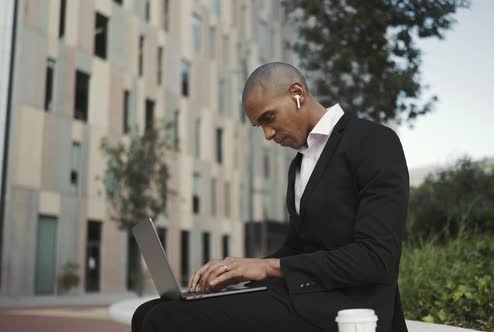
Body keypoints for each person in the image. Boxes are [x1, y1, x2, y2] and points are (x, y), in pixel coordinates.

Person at [132, 62, 409, 332]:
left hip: (352, 308)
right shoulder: (299, 166)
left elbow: (377, 258)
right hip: (307, 298)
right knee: (146, 312)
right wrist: (237, 270)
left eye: (268, 118)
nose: (267, 134)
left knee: (167, 319)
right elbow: (297, 249)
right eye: (259, 125)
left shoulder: (372, 141)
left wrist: (266, 267)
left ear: (297, 93)